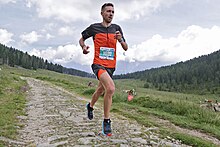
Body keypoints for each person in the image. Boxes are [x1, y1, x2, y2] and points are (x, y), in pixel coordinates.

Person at [79, 3, 128, 136]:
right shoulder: (94, 28)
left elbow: (125, 47)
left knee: (101, 90)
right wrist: (83, 47)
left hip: (111, 66)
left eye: (113, 11)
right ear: (102, 13)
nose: (111, 14)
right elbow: (81, 39)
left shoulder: (116, 28)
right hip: (98, 64)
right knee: (111, 88)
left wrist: (120, 40)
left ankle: (90, 106)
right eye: (108, 11)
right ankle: (106, 121)